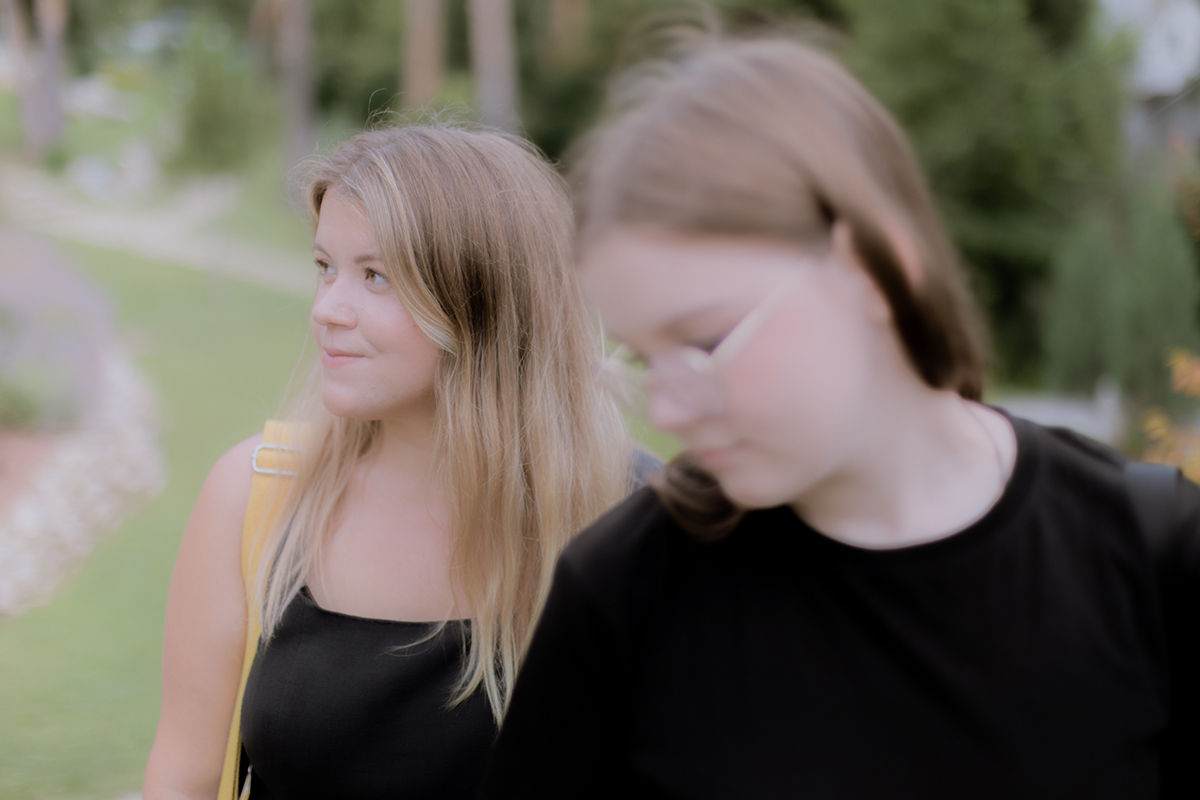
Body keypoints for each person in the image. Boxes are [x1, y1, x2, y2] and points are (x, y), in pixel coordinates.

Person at [479, 33, 1200, 799]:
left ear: (876, 268)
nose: (667, 408)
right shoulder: (620, 589)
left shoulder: (1151, 551)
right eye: (645, 358)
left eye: (703, 342)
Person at [143, 126, 638, 800]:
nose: (326, 310)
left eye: (375, 276)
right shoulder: (254, 496)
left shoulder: (624, 512)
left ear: (486, 301)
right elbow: (184, 779)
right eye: (325, 268)